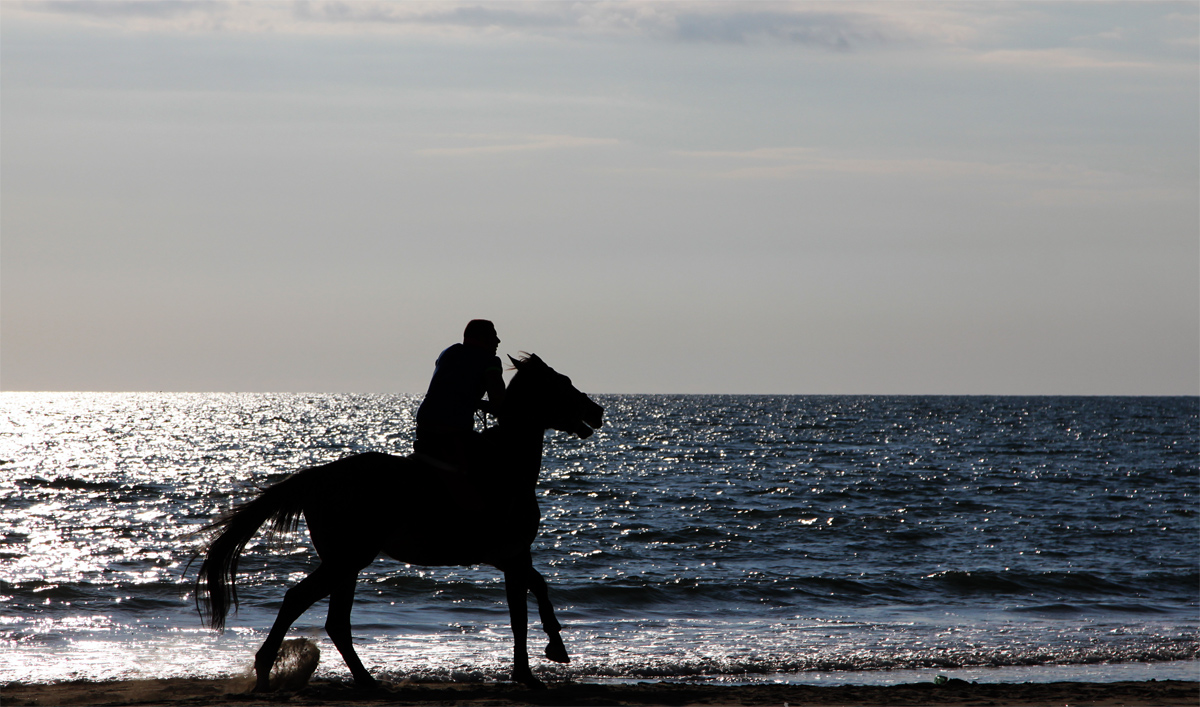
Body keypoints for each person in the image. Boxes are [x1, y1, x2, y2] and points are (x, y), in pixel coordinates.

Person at [414, 319, 505, 466]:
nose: (498, 341)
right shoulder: (490, 361)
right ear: (483, 338)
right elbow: (499, 405)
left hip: (424, 427)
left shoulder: (447, 353)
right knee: (498, 461)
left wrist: (473, 402)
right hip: (453, 431)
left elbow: (450, 390)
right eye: (493, 336)